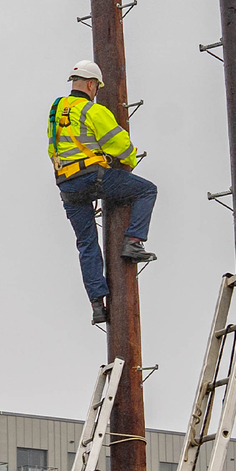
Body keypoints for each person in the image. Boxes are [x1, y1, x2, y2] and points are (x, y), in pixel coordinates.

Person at [50, 62, 156, 327]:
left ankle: (97, 304)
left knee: (86, 243)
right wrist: (130, 158)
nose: (96, 90)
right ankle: (133, 241)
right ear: (90, 84)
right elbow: (119, 144)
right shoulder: (92, 110)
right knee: (146, 190)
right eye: (96, 86)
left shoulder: (56, 109)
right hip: (92, 179)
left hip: (67, 186)